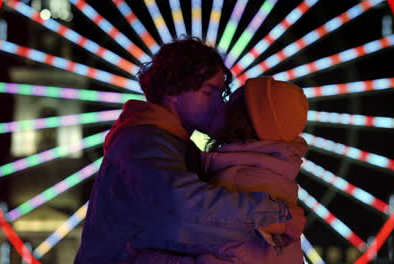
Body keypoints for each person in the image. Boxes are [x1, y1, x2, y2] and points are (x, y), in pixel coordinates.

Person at [73, 37, 304, 264]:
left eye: (221, 93)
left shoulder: (171, 144)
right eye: (208, 91)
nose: (219, 104)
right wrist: (276, 215)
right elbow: (183, 208)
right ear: (173, 90)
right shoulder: (143, 142)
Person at [193, 76, 309, 263]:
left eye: (230, 101)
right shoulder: (272, 179)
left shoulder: (237, 182)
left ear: (240, 118)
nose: (221, 105)